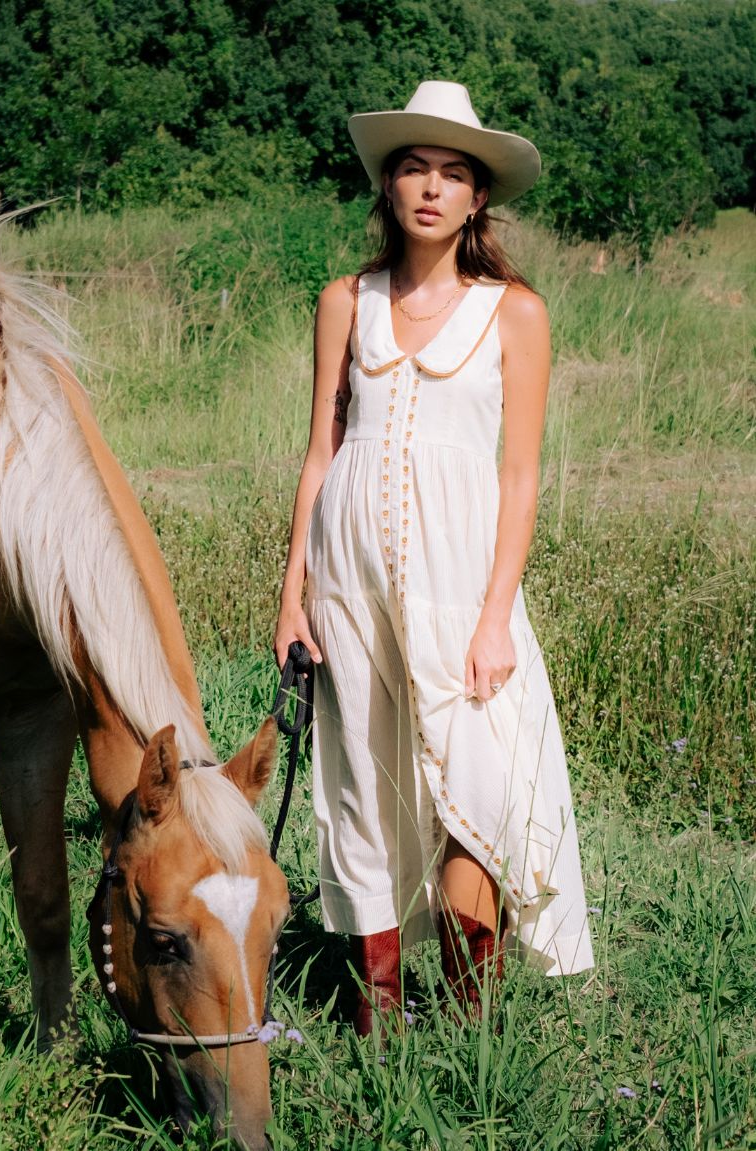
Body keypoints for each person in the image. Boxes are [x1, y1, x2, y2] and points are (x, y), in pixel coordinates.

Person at [275, 81, 593, 1033]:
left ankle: (469, 1023)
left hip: (464, 587)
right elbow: (320, 452)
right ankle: (378, 1018)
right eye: (413, 166)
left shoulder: (515, 313)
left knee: (477, 785)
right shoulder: (345, 300)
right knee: (364, 777)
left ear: (477, 199)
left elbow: (522, 473)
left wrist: (497, 615)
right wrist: (292, 596)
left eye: (453, 174)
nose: (430, 187)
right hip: (348, 578)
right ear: (388, 182)